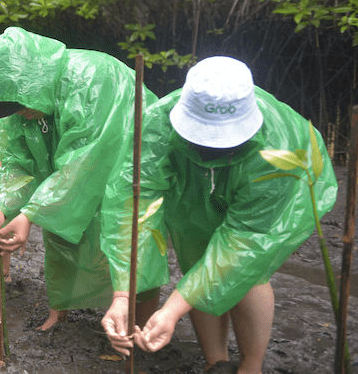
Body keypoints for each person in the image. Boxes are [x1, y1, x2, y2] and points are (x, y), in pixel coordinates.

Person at [100, 56, 337, 374]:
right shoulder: (157, 124)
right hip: (190, 183)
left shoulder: (279, 145)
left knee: (249, 274)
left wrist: (172, 309)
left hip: (271, 183)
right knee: (197, 259)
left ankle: (251, 365)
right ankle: (216, 362)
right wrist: (123, 293)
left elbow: (243, 241)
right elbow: (133, 205)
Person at [0, 27, 157, 330]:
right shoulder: (18, 110)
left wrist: (31, 213)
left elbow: (86, 160)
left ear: (34, 81)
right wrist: (4, 208)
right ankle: (60, 309)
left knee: (131, 229)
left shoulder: (91, 79)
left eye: (21, 105)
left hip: (130, 158)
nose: (21, 113)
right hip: (74, 171)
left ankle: (142, 324)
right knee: (59, 227)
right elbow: (19, 165)